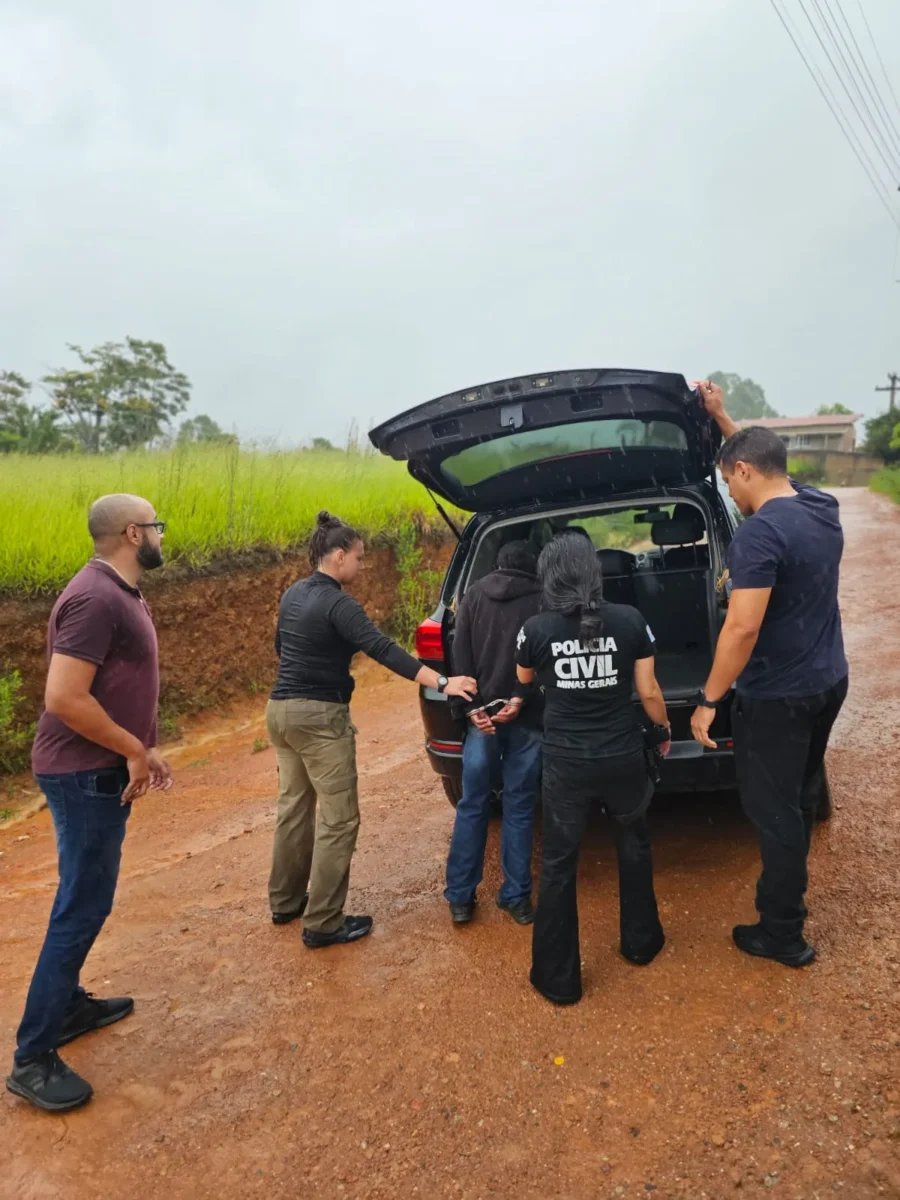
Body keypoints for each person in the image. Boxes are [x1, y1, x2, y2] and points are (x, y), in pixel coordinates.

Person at [6, 494, 172, 1114]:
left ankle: (69, 1004)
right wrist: (134, 749)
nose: (161, 534)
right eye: (156, 525)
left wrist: (140, 749)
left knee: (84, 897)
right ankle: (33, 1057)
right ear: (134, 532)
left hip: (93, 770)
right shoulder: (96, 597)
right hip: (83, 774)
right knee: (82, 904)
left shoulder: (115, 592)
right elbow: (64, 697)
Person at [691, 381, 848, 967]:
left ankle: (782, 932)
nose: (730, 494)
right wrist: (723, 418)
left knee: (772, 809)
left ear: (744, 472)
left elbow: (741, 629)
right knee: (799, 795)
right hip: (827, 682)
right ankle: (786, 895)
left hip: (778, 697)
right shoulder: (818, 506)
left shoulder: (759, 534)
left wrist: (709, 699)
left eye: (729, 481)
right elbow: (763, 458)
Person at [268, 511, 476, 949]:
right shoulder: (339, 604)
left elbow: (282, 648)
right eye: (359, 559)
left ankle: (286, 901)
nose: (362, 567)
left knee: (294, 807)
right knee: (339, 820)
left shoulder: (293, 595)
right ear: (338, 555)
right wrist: (443, 681)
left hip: (280, 712)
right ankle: (323, 921)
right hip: (321, 718)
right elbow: (383, 649)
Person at [516, 532, 671, 1005]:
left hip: (566, 764)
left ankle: (559, 980)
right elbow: (648, 692)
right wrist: (662, 731)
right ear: (593, 572)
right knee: (634, 844)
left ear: (550, 577)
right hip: (623, 755)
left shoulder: (535, 630)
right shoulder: (630, 621)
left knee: (560, 865)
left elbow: (523, 681)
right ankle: (641, 944)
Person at [444, 541, 543, 926]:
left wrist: (472, 710)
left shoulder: (471, 597)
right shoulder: (540, 599)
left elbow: (460, 658)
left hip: (481, 720)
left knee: (473, 804)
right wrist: (519, 699)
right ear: (531, 568)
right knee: (519, 806)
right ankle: (516, 896)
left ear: (497, 566)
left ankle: (460, 898)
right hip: (525, 718)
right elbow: (538, 660)